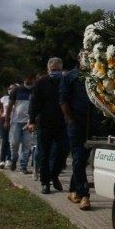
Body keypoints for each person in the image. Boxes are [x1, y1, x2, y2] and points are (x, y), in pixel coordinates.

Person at [27, 58, 69, 194]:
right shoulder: (41, 83)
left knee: (63, 151)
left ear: (61, 70)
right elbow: (33, 103)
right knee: (44, 154)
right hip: (44, 123)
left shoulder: (66, 81)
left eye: (58, 70)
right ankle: (45, 183)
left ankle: (54, 174)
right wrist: (32, 121)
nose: (55, 72)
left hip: (62, 123)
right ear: (48, 70)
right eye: (53, 70)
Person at [60, 51, 95, 210]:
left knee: (82, 159)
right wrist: (71, 119)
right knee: (78, 157)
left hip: (92, 124)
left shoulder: (95, 75)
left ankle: (74, 191)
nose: (88, 59)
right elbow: (63, 100)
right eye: (85, 56)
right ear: (79, 59)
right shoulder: (70, 76)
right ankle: (84, 195)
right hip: (76, 123)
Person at [8, 76, 35, 172]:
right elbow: (10, 105)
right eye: (27, 79)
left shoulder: (35, 90)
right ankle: (14, 159)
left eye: (31, 79)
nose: (29, 81)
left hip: (29, 122)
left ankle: (23, 166)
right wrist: (7, 120)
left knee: (27, 145)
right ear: (24, 79)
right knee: (14, 143)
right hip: (16, 121)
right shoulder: (16, 90)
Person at [0, 87, 13, 168]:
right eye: (10, 88)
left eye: (13, 88)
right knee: (5, 140)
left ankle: (9, 159)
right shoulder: (4, 98)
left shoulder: (18, 99)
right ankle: (2, 160)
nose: (11, 90)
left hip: (14, 120)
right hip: (4, 119)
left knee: (11, 140)